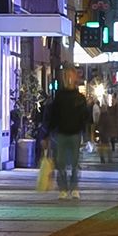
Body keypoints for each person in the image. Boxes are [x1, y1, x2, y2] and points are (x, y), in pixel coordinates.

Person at [45, 68, 92, 199]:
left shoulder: (80, 98)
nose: (70, 79)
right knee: (61, 162)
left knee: (75, 162)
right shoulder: (60, 97)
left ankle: (74, 187)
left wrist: (86, 133)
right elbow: (54, 116)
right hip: (61, 133)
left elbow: (85, 117)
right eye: (67, 77)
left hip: (75, 133)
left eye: (72, 76)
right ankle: (64, 188)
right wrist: (48, 133)